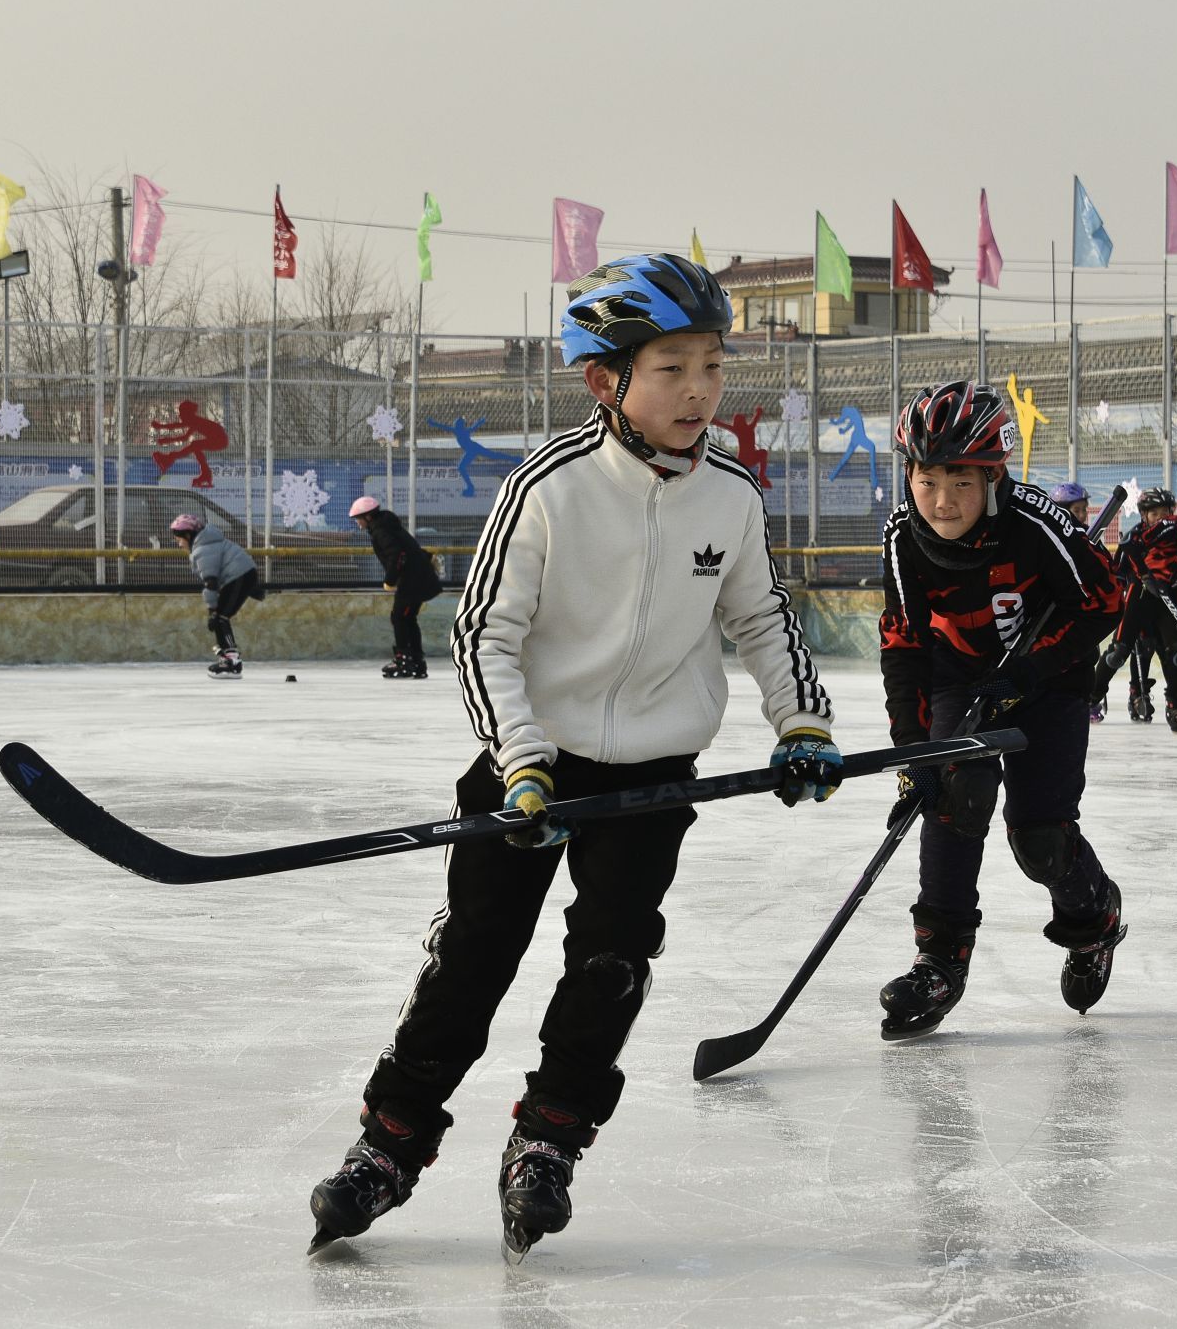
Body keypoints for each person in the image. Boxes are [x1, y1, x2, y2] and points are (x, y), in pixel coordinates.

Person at [309, 253, 840, 1259]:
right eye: (671, 368)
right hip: (529, 766)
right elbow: (484, 635)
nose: (698, 390)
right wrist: (520, 758)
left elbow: (762, 618)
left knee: (612, 959)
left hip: (648, 773)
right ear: (606, 381)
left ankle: (549, 1135)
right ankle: (389, 1140)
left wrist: (799, 721)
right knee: (471, 958)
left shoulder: (728, 497)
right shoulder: (547, 488)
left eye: (712, 367)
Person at [876, 380, 1124, 1041]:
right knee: (953, 797)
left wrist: (1032, 667)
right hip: (962, 674)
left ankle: (1094, 917)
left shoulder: (1039, 525)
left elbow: (1102, 605)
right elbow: (902, 643)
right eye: (927, 479)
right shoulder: (904, 538)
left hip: (1050, 686)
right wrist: (912, 751)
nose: (942, 500)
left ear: (994, 477)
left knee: (1038, 840)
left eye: (962, 482)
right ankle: (938, 957)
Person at [1088, 487, 1177, 732]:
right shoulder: (1139, 535)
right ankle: (1088, 700)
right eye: (1154, 514)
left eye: (1165, 512)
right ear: (1144, 515)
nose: (1161, 518)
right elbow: (1123, 557)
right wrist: (1143, 575)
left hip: (1168, 599)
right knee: (1118, 653)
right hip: (1139, 597)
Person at [350, 495, 442, 679]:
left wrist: (390, 580)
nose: (358, 524)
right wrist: (427, 557)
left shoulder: (381, 530)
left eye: (359, 519)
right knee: (407, 618)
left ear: (368, 517)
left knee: (399, 617)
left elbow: (398, 555)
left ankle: (404, 660)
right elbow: (408, 546)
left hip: (412, 581)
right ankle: (416, 660)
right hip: (417, 578)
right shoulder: (387, 525)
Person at [169, 513, 261, 679]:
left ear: (188, 536)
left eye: (179, 539)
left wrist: (212, 610)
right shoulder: (207, 543)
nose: (178, 544)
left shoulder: (203, 549)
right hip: (242, 575)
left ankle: (232, 661)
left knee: (220, 617)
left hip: (239, 576)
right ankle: (227, 656)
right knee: (220, 617)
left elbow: (210, 582)